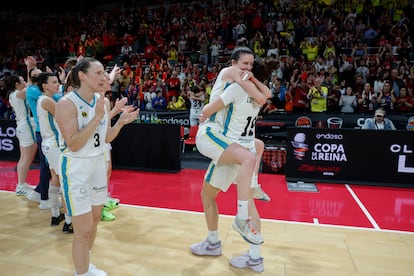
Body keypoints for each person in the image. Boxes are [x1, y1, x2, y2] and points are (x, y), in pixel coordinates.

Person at [191, 48, 275, 272]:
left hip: (229, 142)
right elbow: (263, 95)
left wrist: (205, 112)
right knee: (212, 194)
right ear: (234, 63)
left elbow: (211, 108)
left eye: (250, 65)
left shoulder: (237, 87)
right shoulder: (249, 87)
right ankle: (252, 256)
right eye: (244, 64)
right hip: (241, 146)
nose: (246, 68)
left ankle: (220, 235)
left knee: (223, 198)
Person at [55, 57, 138, 276]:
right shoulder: (66, 103)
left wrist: (120, 122)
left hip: (97, 165)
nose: (104, 77)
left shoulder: (104, 101)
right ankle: (81, 273)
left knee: (92, 224)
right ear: (82, 76)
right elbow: (73, 144)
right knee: (81, 230)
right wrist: (97, 118)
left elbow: (105, 139)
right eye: (99, 73)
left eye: (105, 73)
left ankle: (85, 266)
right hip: (76, 168)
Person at [36, 72, 71, 228]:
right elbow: (66, 115)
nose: (58, 84)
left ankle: (56, 214)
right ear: (45, 85)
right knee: (64, 181)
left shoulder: (42, 100)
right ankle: (69, 221)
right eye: (54, 82)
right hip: (55, 144)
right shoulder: (48, 101)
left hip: (48, 144)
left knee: (55, 179)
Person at [24, 56, 52, 209]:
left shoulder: (32, 89)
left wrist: (30, 68)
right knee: (46, 166)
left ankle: (40, 191)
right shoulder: (36, 92)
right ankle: (44, 197)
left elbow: (30, 80)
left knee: (47, 166)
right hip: (44, 131)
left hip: (44, 131)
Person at [6, 75, 38, 195]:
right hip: (26, 127)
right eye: (22, 80)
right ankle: (20, 186)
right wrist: (30, 68)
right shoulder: (18, 94)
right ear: (17, 84)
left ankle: (22, 184)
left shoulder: (14, 94)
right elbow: (31, 86)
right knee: (27, 158)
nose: (24, 82)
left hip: (22, 126)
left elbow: (29, 85)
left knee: (24, 158)